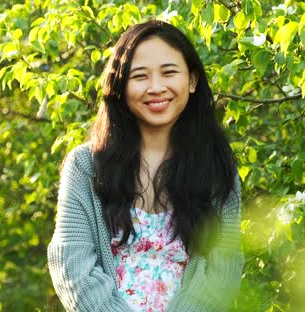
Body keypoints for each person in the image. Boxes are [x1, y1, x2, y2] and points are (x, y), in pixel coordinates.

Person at [47, 20, 243, 312]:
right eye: (139, 76)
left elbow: (222, 269)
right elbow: (72, 264)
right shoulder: (86, 166)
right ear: (121, 87)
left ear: (192, 80)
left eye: (169, 72)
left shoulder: (217, 169)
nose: (155, 87)